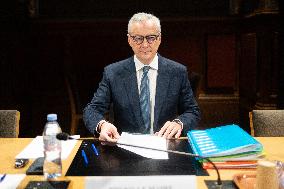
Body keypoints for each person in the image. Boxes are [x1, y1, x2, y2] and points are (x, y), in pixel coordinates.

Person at [83, 12, 200, 143]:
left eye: (150, 38)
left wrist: (179, 123)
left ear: (159, 39)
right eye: (138, 38)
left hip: (166, 146)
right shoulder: (113, 73)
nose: (145, 45)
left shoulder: (177, 72)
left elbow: (192, 111)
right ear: (129, 40)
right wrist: (102, 125)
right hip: (125, 150)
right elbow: (91, 110)